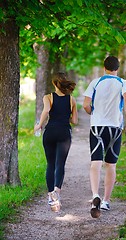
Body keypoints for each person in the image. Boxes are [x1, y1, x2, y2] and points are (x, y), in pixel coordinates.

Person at [83, 56, 126, 218]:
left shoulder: (95, 82)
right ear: (117, 68)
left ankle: (95, 195)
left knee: (95, 163)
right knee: (110, 165)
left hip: (97, 127)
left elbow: (85, 104)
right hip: (115, 128)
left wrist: (93, 113)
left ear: (104, 67)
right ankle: (105, 201)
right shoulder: (123, 83)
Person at [34, 72, 78, 212]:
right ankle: (57, 193)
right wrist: (66, 117)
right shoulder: (72, 99)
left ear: (54, 83)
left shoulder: (48, 97)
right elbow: (75, 121)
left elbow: (46, 111)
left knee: (50, 164)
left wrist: (39, 125)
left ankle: (50, 197)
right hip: (64, 133)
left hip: (50, 132)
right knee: (60, 164)